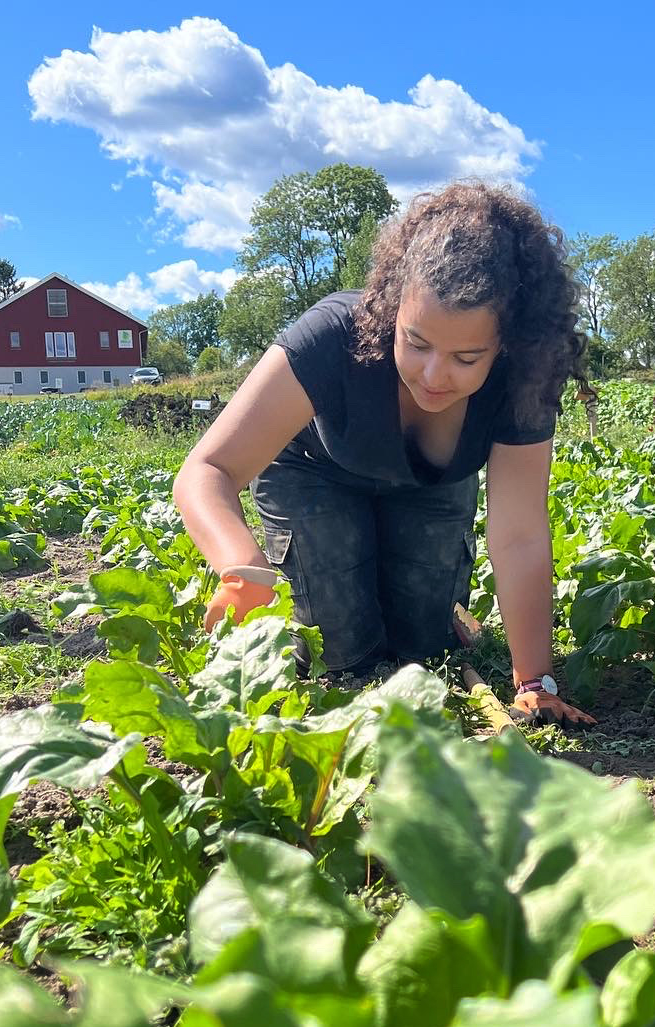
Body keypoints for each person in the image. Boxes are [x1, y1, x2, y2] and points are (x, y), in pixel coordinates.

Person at [173, 181, 596, 725]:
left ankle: (440, 616)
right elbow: (207, 469)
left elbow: (519, 536)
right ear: (393, 307)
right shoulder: (330, 335)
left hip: (433, 487)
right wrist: (241, 566)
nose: (433, 375)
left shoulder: (526, 375)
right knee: (346, 656)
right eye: (416, 343)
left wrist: (534, 680)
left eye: (467, 358)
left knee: (422, 651)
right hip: (314, 473)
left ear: (507, 344)